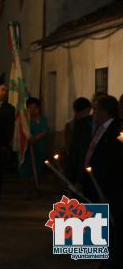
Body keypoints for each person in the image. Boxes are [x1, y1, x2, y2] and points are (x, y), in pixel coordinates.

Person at [81, 95, 122, 266]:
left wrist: (105, 187)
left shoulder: (117, 130)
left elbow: (115, 162)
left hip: (108, 188)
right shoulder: (99, 128)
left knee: (112, 228)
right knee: (98, 225)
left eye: (96, 109)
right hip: (95, 185)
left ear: (105, 111)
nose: (93, 112)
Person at [20, 97, 49, 198]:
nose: (32, 110)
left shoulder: (43, 119)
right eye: (30, 107)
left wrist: (35, 138)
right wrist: (29, 139)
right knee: (26, 170)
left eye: (34, 107)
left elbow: (45, 131)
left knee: (38, 170)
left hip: (40, 148)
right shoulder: (26, 121)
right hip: (29, 149)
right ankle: (26, 191)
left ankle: (36, 189)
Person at [64, 97, 93, 189]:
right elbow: (68, 144)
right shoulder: (71, 124)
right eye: (89, 110)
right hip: (76, 160)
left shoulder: (91, 122)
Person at [0, 83, 14, 195]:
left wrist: (6, 143)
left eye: (6, 90)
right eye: (2, 90)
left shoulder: (10, 109)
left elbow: (10, 127)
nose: (4, 92)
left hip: (1, 141)